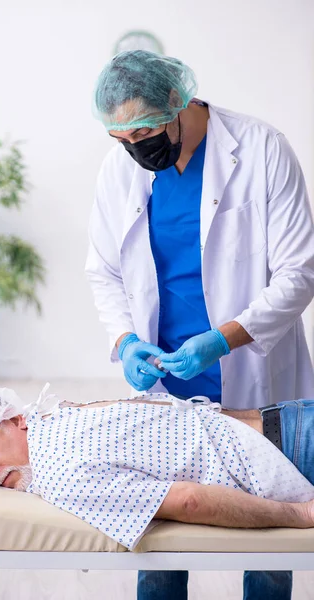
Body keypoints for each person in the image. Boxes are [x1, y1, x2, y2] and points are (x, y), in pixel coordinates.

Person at [85, 50, 314, 599]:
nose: (135, 149)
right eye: (121, 139)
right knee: (161, 543)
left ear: (177, 102)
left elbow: (299, 272)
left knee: (269, 539)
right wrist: (126, 340)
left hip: (252, 379)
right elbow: (104, 272)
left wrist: (223, 340)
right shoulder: (121, 169)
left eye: (143, 132)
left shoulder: (261, 149)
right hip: (169, 388)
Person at [0, 386, 314, 555]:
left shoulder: (58, 474)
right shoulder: (58, 413)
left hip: (293, 451)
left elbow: (189, 502)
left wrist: (298, 514)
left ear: (16, 419)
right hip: (287, 417)